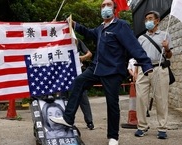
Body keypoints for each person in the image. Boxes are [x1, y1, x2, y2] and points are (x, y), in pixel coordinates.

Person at [49, 0, 153, 145]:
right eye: (102, 6)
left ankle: (113, 137)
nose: (105, 8)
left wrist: (146, 63)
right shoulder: (100, 28)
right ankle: (68, 118)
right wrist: (74, 24)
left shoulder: (121, 25)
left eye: (108, 5)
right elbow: (89, 33)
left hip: (113, 70)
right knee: (79, 81)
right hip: (96, 68)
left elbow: (133, 45)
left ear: (114, 9)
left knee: (112, 104)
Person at [134, 10, 173, 139]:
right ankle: (142, 127)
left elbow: (169, 56)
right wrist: (135, 72)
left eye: (150, 19)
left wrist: (166, 48)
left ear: (157, 20)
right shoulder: (141, 38)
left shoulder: (165, 35)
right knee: (140, 99)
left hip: (159, 68)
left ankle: (162, 128)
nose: (148, 21)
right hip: (143, 69)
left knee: (161, 99)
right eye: (146, 19)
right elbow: (137, 56)